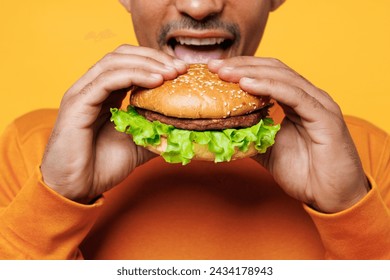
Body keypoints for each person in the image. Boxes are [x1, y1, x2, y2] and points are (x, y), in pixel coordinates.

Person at [0, 0, 389, 260]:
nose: (199, 6)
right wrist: (55, 200)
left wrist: (349, 212)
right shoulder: (30, 147)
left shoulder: (365, 155)